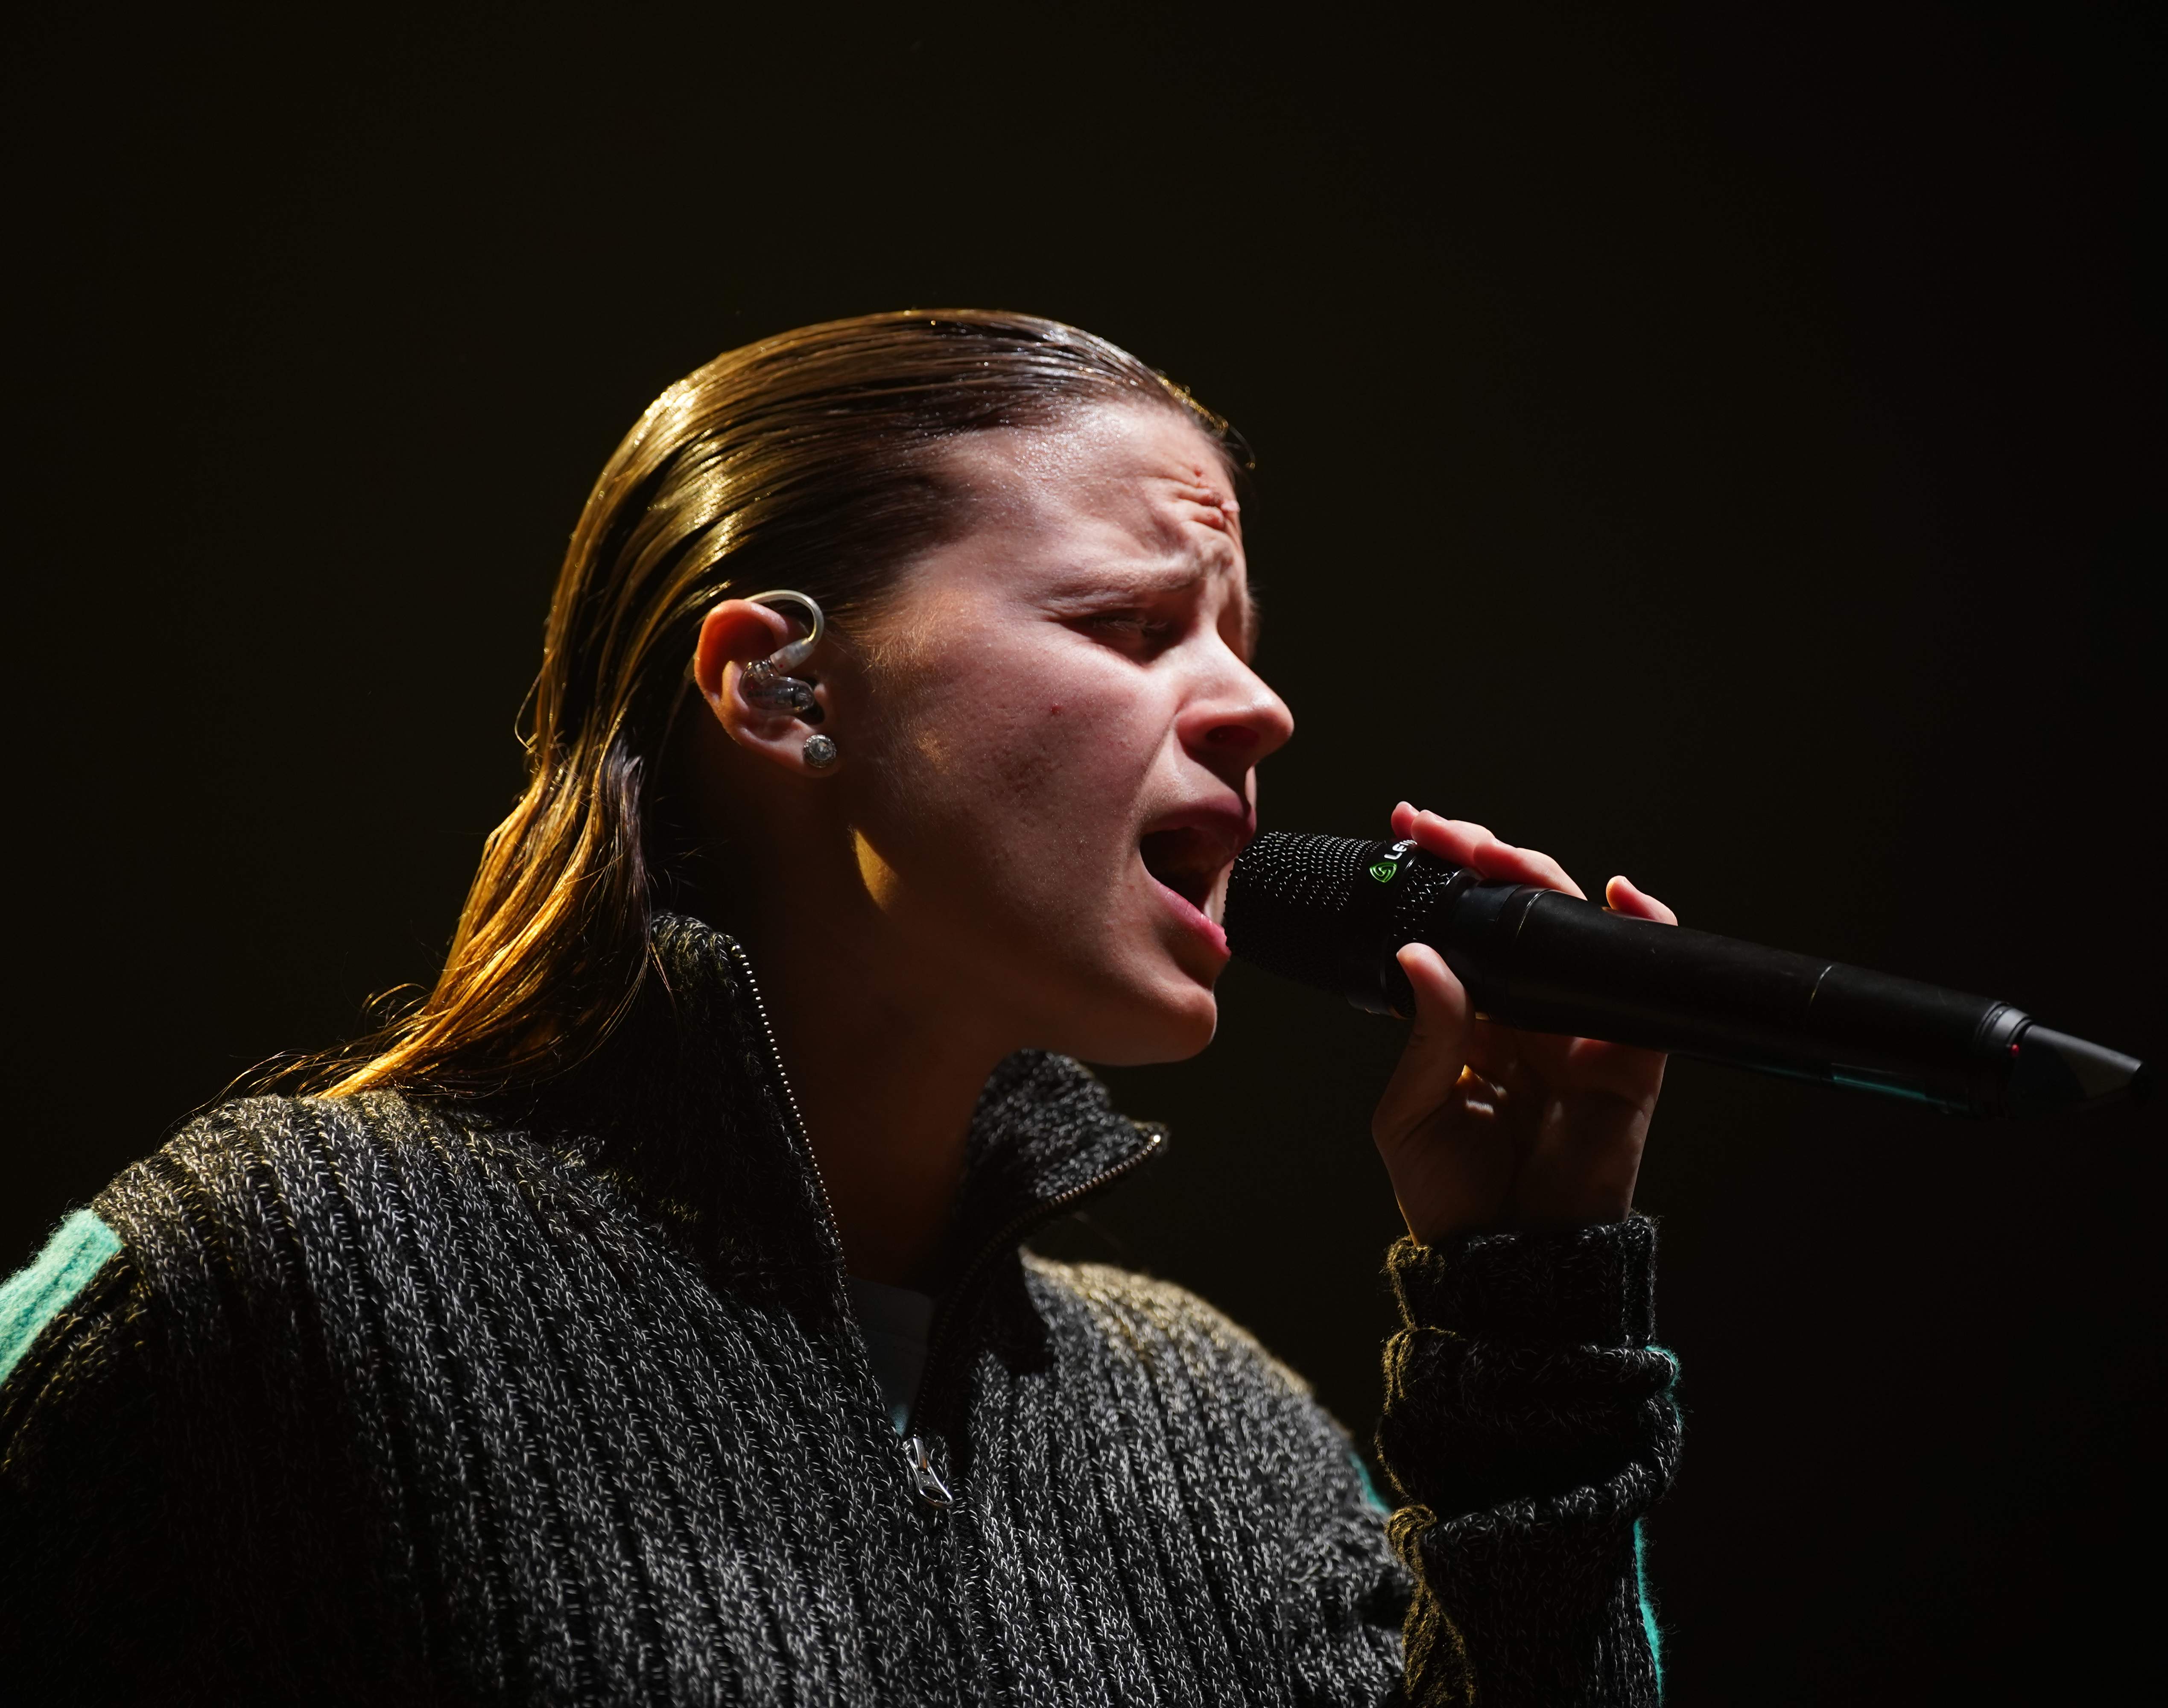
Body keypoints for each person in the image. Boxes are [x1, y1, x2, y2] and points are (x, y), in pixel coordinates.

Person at [0, 311, 1683, 1704]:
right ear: (781, 686)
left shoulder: (1214, 1429)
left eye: (1237, 637)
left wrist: (1527, 1320)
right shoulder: (280, 1269)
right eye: (1130, 621)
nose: (1257, 705)